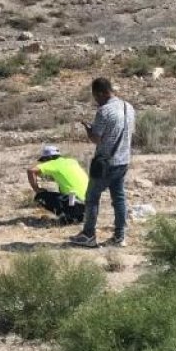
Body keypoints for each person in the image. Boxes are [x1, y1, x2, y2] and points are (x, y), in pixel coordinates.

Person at [70, 77, 133, 248]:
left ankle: (88, 235)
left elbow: (96, 139)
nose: (96, 100)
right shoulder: (128, 107)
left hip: (105, 163)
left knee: (92, 198)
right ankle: (119, 236)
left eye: (96, 97)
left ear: (101, 93)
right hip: (123, 160)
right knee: (119, 198)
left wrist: (88, 129)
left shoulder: (104, 111)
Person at [27, 145, 87, 225]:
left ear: (48, 158)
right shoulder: (72, 161)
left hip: (75, 200)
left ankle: (70, 217)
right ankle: (79, 215)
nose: (44, 163)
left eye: (44, 160)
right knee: (63, 190)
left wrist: (36, 189)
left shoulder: (53, 163)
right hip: (90, 202)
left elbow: (31, 171)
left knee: (40, 196)